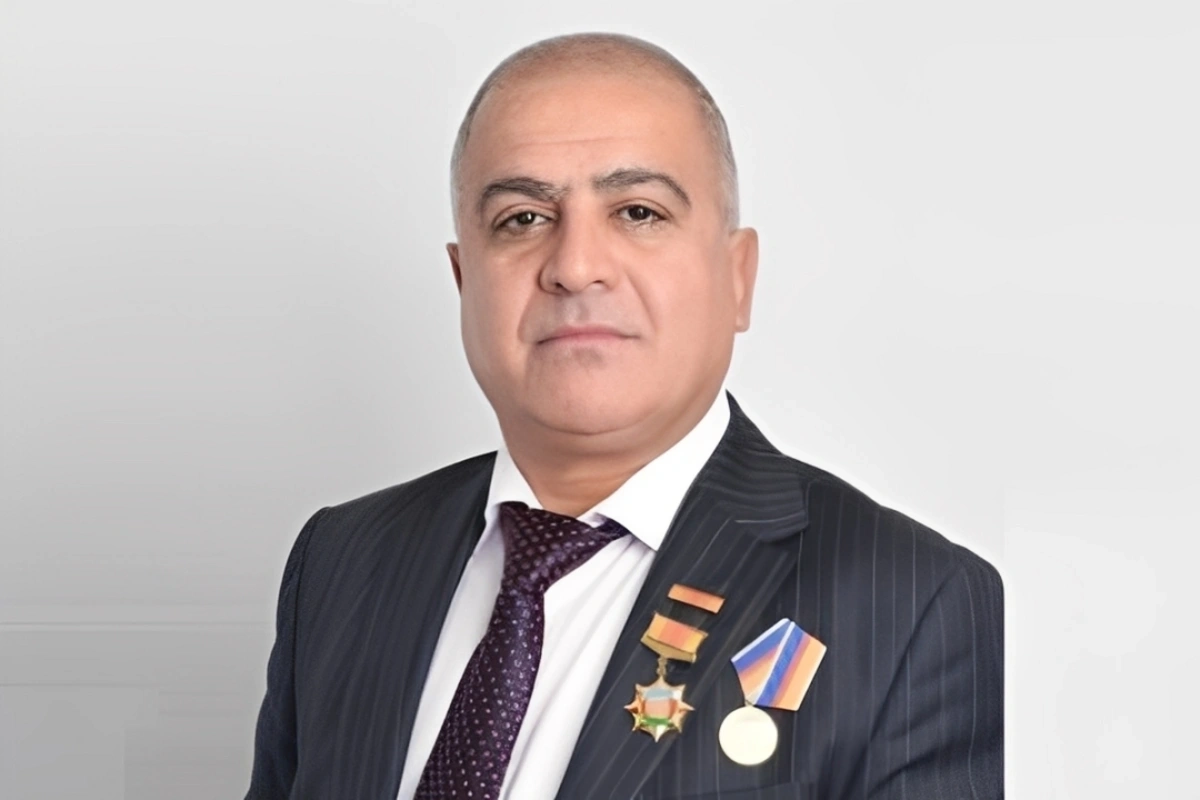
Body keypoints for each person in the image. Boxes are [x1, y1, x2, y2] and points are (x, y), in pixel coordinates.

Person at [245, 32, 1003, 800]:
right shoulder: (344, 560)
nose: (576, 266)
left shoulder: (907, 603)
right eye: (522, 218)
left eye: (638, 212)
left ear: (737, 277)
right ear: (463, 279)